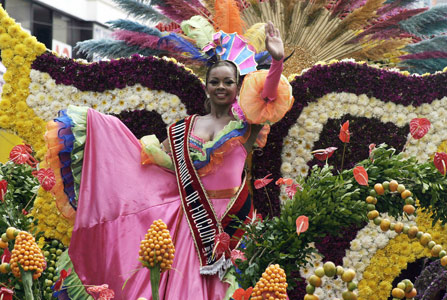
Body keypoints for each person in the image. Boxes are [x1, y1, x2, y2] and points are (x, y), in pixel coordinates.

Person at [45, 22, 293, 300]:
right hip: (187, 220)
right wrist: (106, 139)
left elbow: (270, 95)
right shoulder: (183, 128)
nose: (221, 87)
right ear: (206, 87)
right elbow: (149, 163)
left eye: (228, 82)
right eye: (215, 81)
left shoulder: (248, 126)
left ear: (239, 87)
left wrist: (277, 61)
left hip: (232, 221)